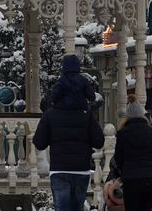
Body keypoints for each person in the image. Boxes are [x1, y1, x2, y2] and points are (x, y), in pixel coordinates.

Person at [32, 54, 104, 211]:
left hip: (59, 169)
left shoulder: (51, 114)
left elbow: (39, 142)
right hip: (82, 169)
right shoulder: (87, 115)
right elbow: (99, 141)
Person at [112, 102, 152, 211]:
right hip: (151, 178)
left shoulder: (122, 133)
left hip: (131, 179)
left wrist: (124, 170)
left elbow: (118, 158)